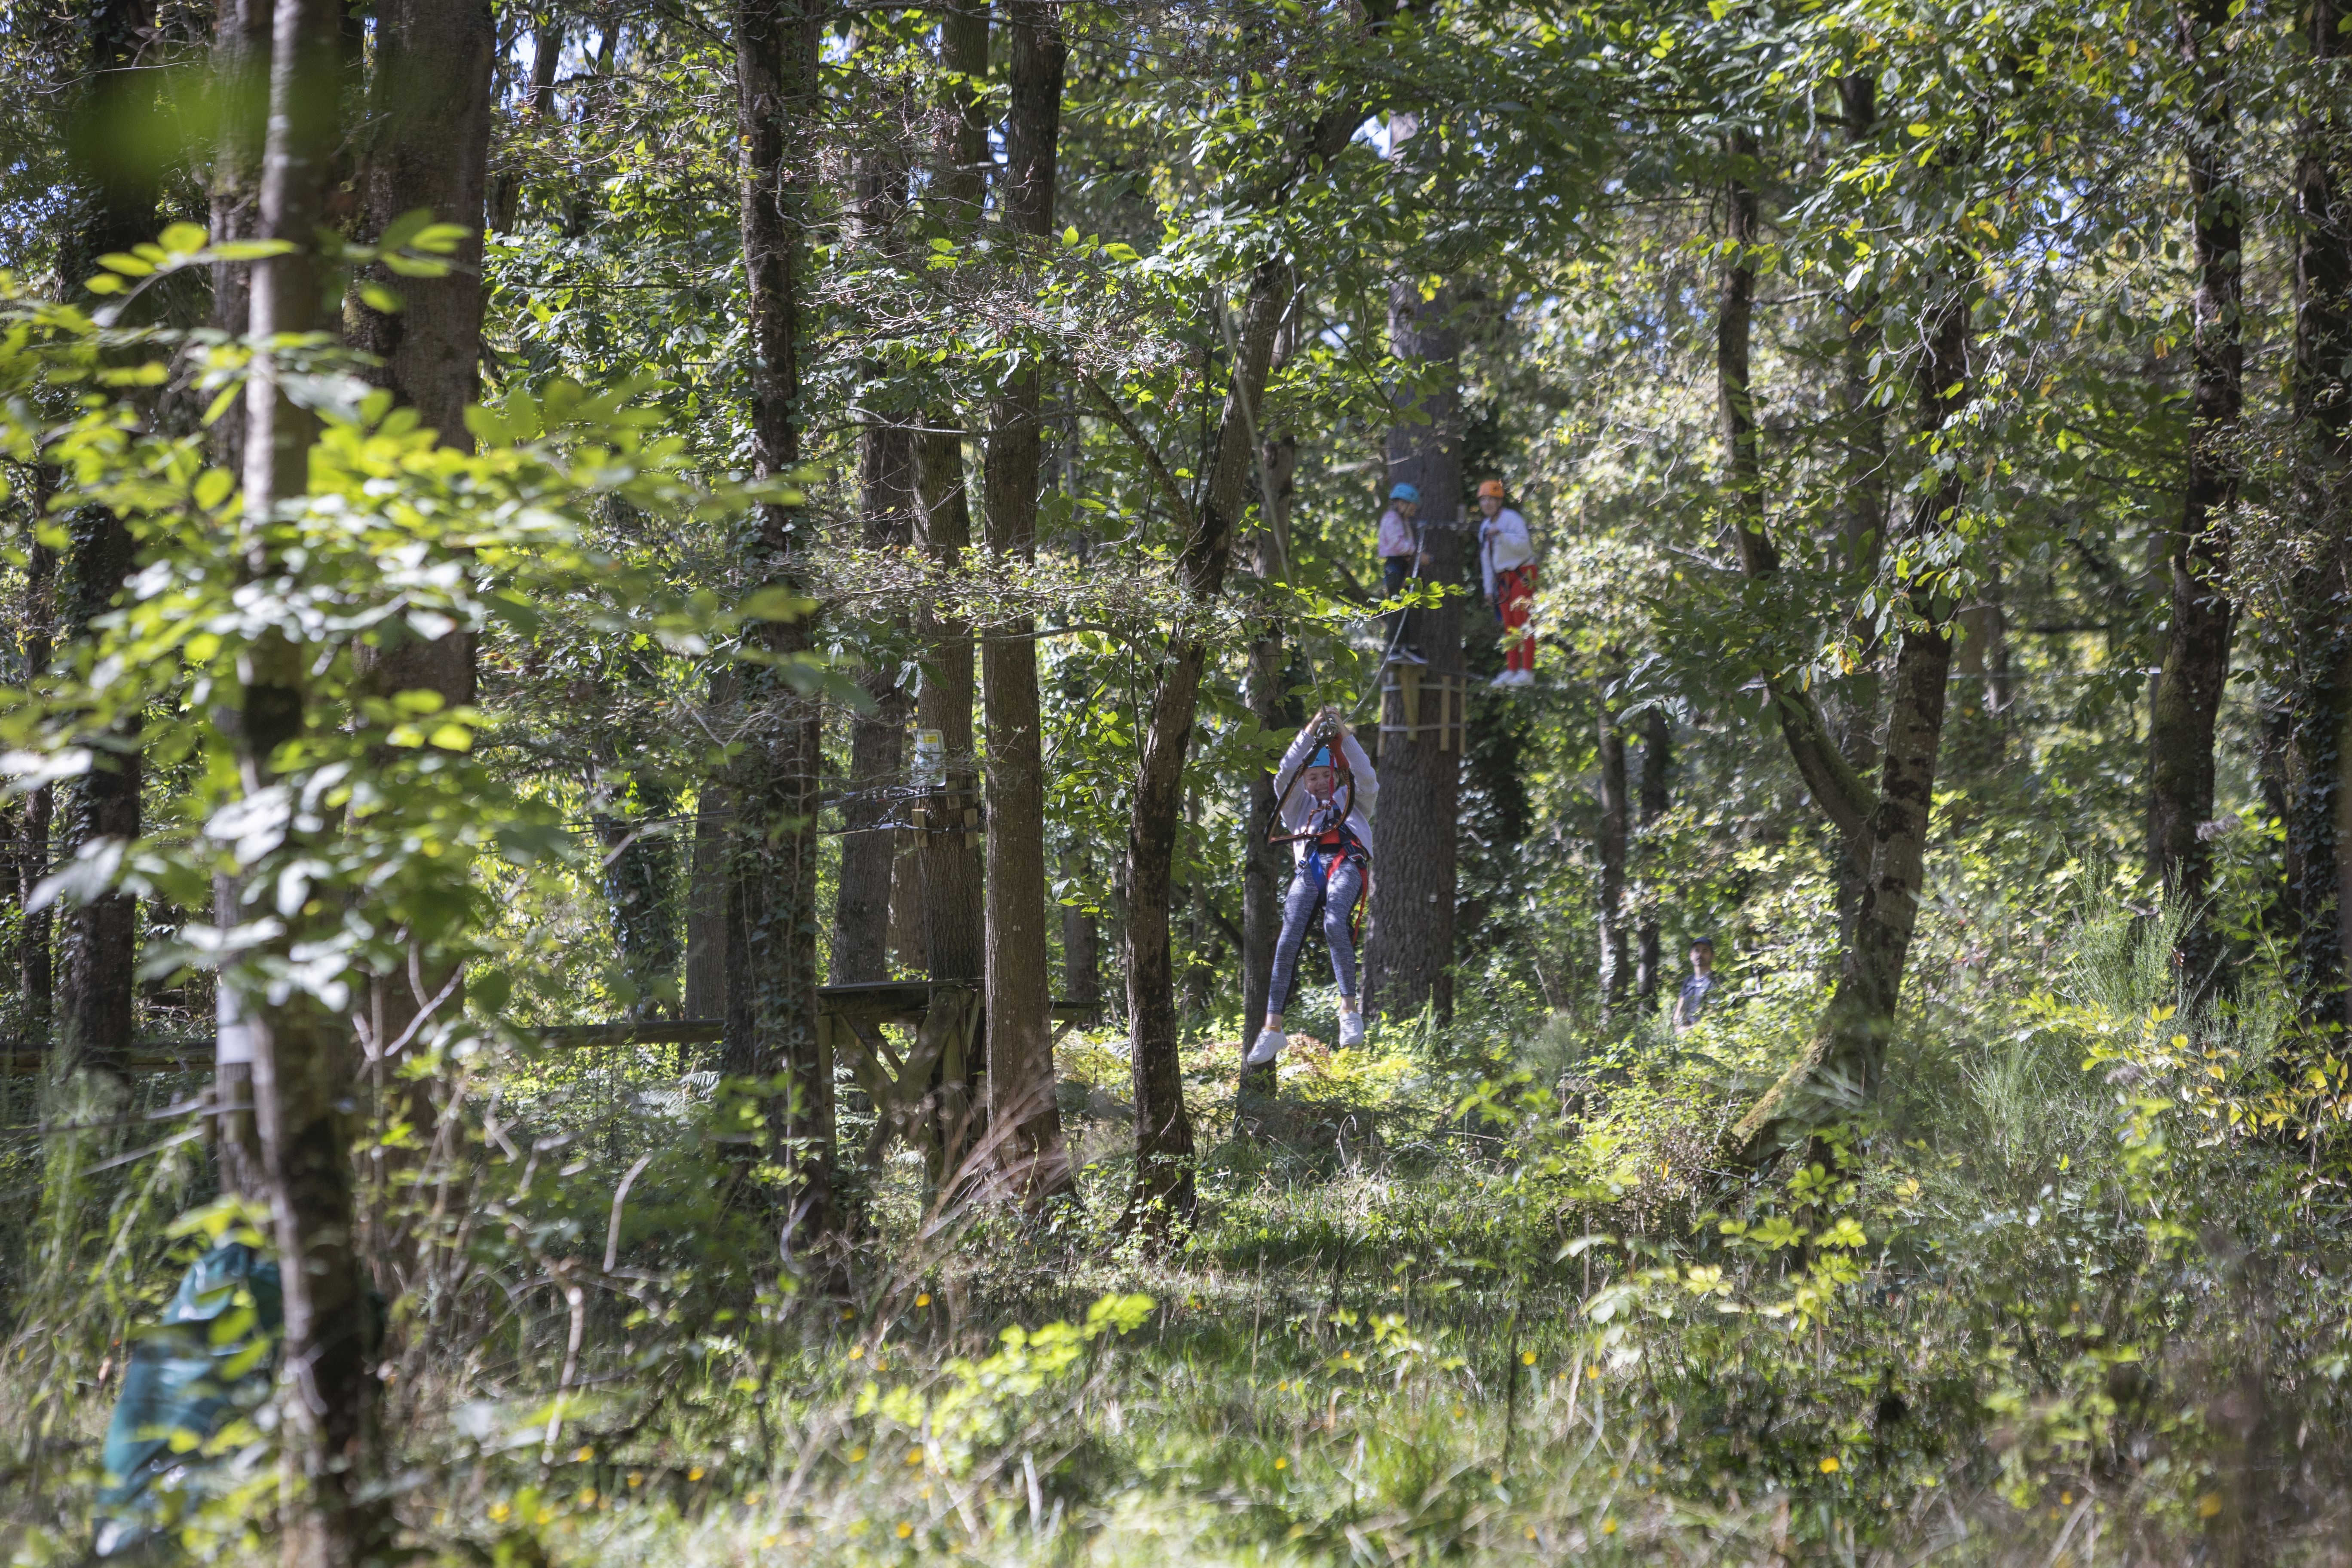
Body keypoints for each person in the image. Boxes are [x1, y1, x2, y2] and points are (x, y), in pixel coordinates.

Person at [1247, 709, 1379, 1065]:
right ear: (1305, 781)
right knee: (1288, 939)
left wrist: (1342, 731)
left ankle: (1349, 1012)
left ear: (1336, 775)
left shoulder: (1353, 800)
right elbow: (1284, 775)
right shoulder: (1297, 807)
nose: (1320, 783)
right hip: (1310, 870)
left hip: (1347, 863)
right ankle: (1272, 1029)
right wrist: (1310, 731)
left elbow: (1367, 775)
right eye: (1313, 777)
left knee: (1335, 922)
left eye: (1326, 775)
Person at [1476, 479, 1537, 687]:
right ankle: (1512, 670)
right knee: (1509, 625)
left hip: (1523, 572)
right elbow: (1486, 560)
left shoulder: (1512, 520)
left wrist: (1502, 536)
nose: (1487, 504)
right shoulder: (1484, 528)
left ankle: (1527, 671)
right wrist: (1488, 589)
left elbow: (1524, 548)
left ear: (1499, 502)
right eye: (1484, 500)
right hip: (1502, 578)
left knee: (1524, 621)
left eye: (1491, 500)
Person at [1377, 483, 1426, 664]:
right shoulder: (1391, 519)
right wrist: (1419, 554)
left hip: (1405, 566)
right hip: (1395, 567)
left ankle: (1410, 646)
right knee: (1397, 605)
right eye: (1411, 509)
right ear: (1401, 504)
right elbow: (1397, 545)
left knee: (1412, 605)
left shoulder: (1402, 520)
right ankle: (1395, 647)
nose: (1412, 513)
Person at [1672, 937, 1716, 1033]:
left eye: (1705, 951)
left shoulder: (1717, 982)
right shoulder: (1688, 981)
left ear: (1712, 956)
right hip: (1685, 1035)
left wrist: (1688, 1030)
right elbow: (1679, 1011)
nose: (1700, 954)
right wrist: (1678, 1028)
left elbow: (1714, 1016)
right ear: (1691, 955)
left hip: (1708, 1035)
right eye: (1697, 951)